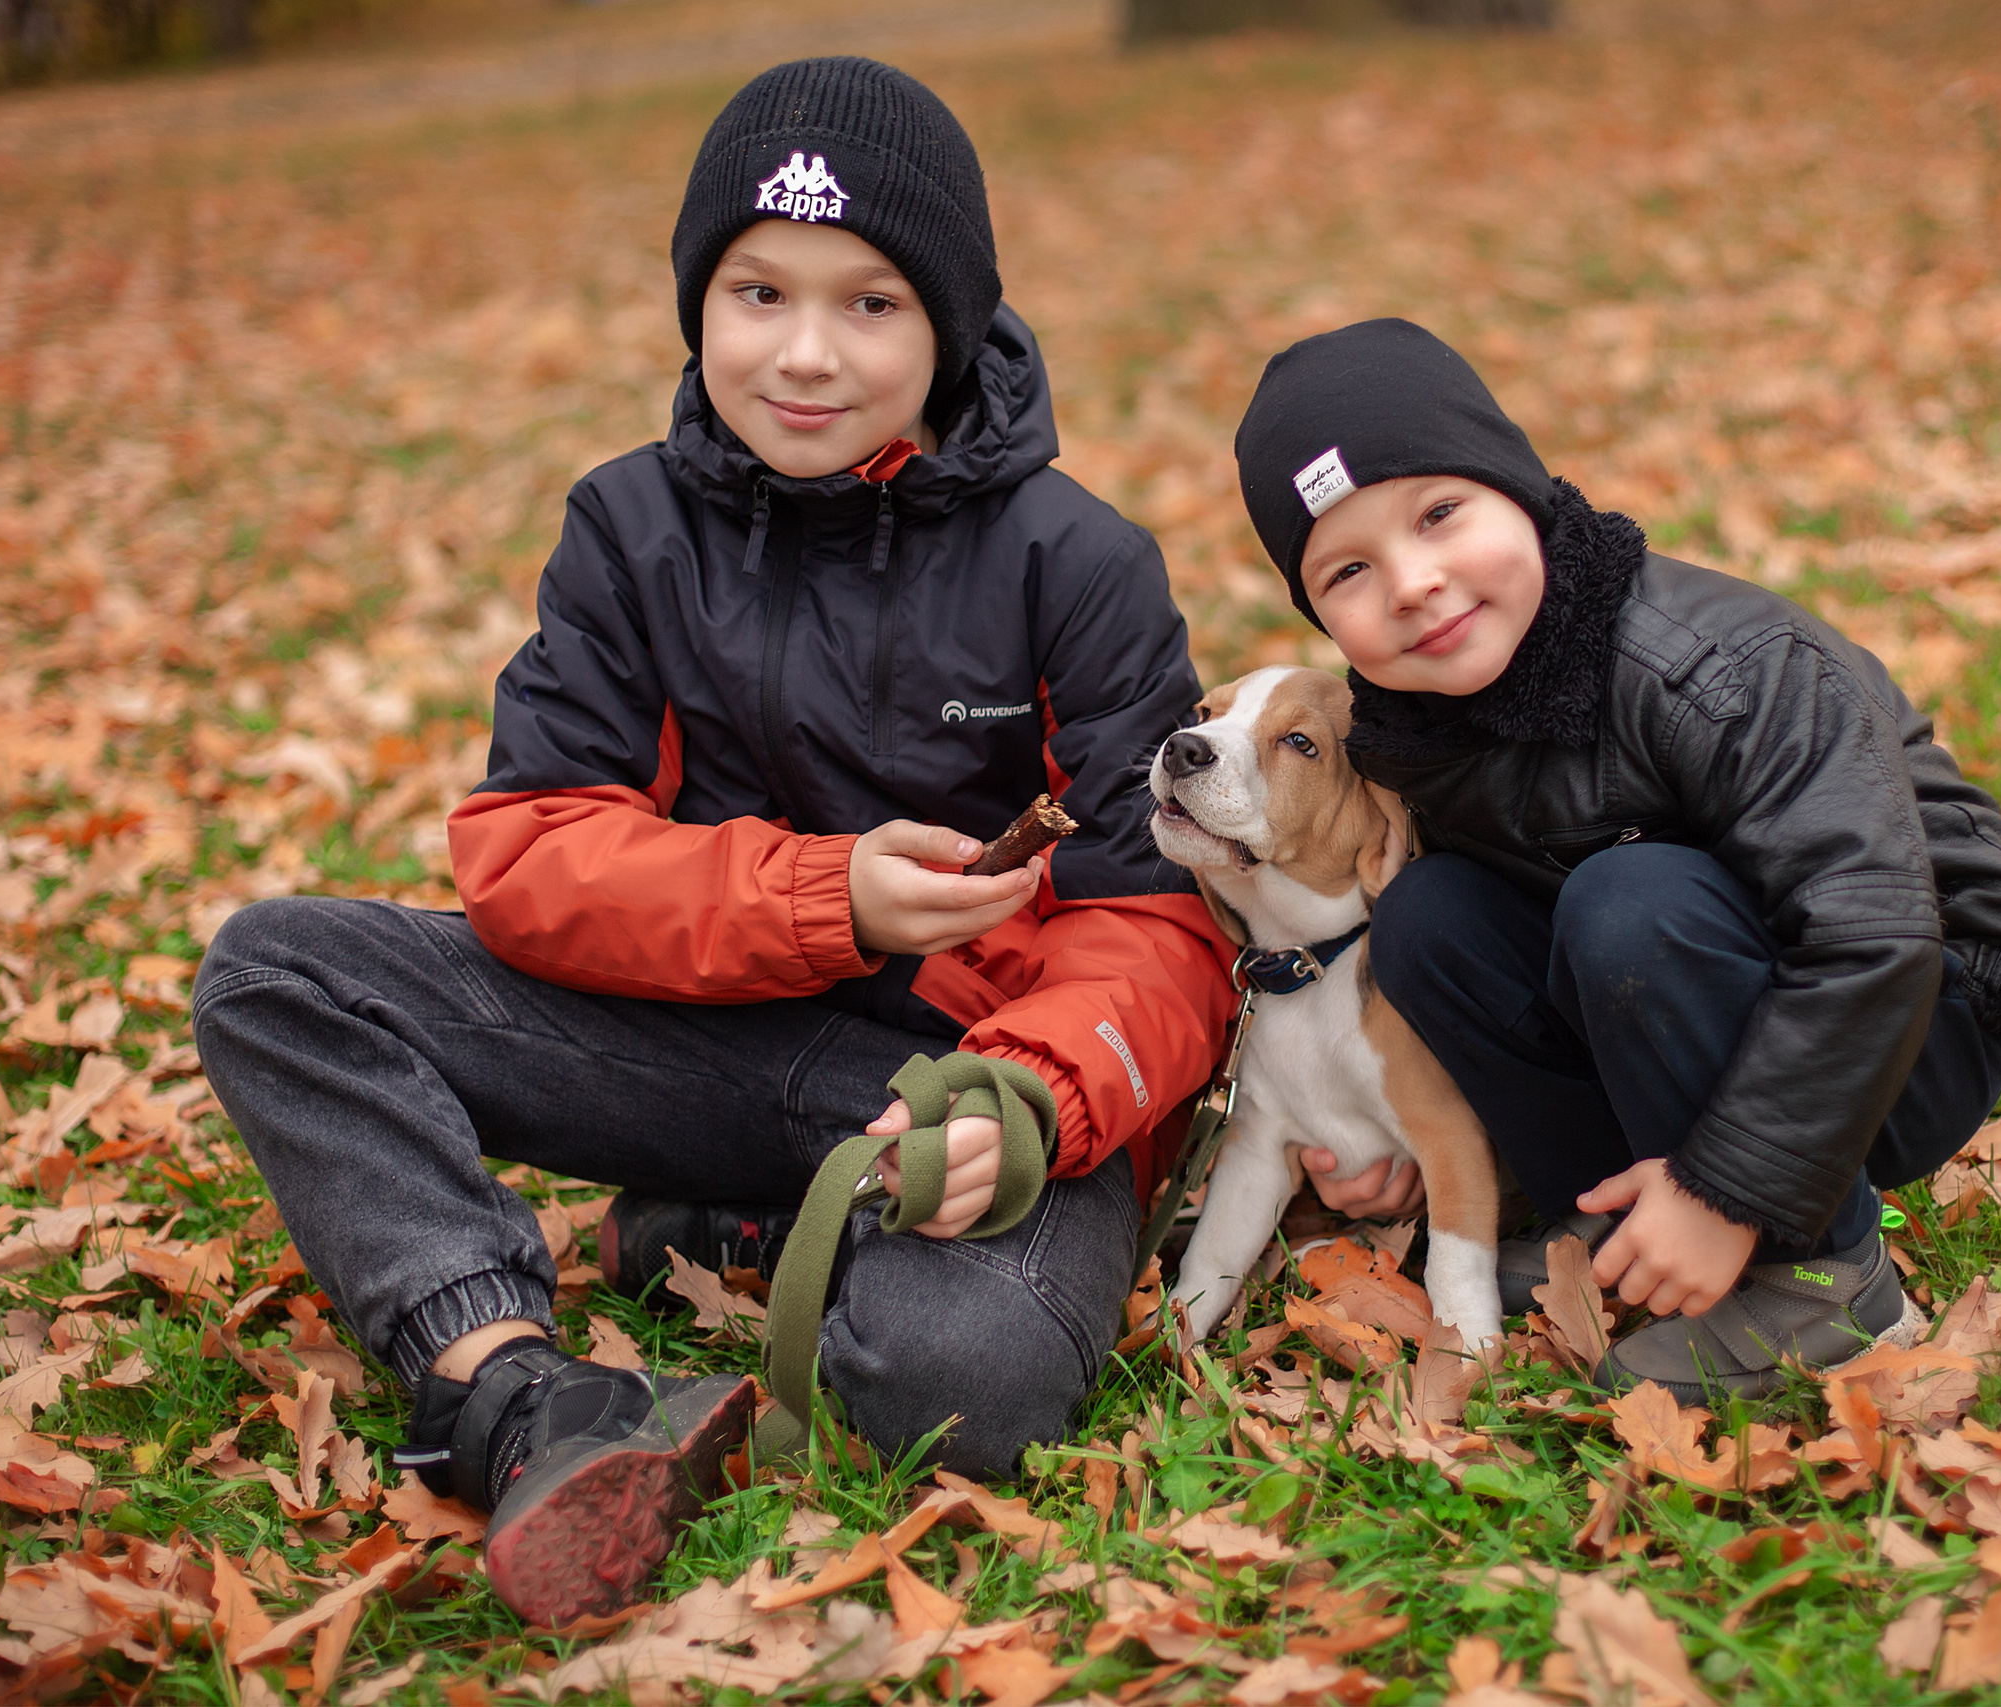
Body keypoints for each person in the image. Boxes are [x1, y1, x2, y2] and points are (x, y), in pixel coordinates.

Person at [192, 57, 1234, 1626]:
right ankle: (515, 1388)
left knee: (958, 1380)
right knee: (279, 972)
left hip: (967, 1090)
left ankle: (733, 1226)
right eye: (758, 292)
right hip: (714, 1042)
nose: (805, 353)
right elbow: (530, 852)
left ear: (950, 321)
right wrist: (826, 899)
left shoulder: (1076, 563)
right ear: (699, 301)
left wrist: (1031, 1095)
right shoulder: (629, 532)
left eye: (870, 302)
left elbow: (1160, 918)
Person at [1229, 318, 2001, 1402]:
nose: (1410, 582)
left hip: (1909, 1023)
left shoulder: (1710, 670)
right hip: (1695, 999)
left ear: (1522, 492)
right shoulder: (1418, 727)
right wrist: (1419, 1145)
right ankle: (1605, 1215)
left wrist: (1726, 1189)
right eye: (1349, 569)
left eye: (1439, 514)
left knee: (1627, 899)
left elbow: (1874, 935)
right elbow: (1494, 959)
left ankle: (1819, 1274)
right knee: (1430, 915)